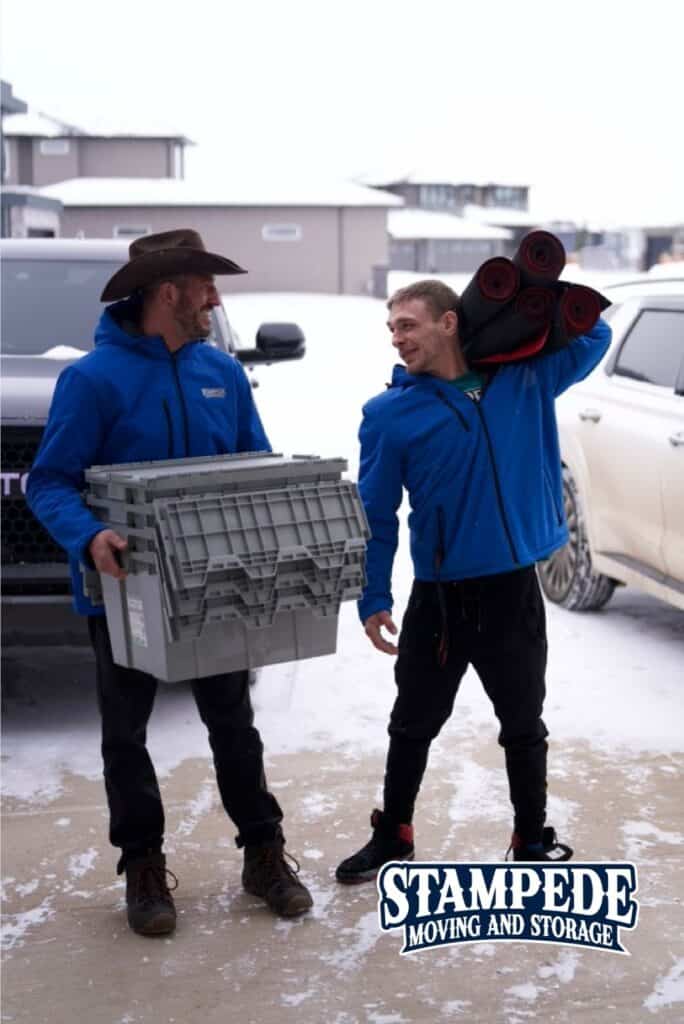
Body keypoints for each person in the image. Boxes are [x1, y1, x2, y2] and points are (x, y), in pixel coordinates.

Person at [27, 229, 313, 935]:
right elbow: (49, 481)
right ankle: (143, 867)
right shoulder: (93, 380)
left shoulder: (223, 373)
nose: (215, 299)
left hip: (216, 584)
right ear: (167, 292)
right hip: (128, 589)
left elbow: (253, 465)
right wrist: (89, 536)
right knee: (126, 733)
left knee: (234, 723)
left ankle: (263, 853)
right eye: (205, 287)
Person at [335, 279, 612, 883]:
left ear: (449, 322)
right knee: (413, 723)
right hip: (441, 597)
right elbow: (375, 516)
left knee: (523, 723)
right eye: (392, 328)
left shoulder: (524, 380)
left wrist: (529, 300)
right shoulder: (388, 416)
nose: (397, 338)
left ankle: (530, 837)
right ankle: (394, 834)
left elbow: (595, 332)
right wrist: (373, 596)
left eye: (409, 324)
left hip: (512, 589)